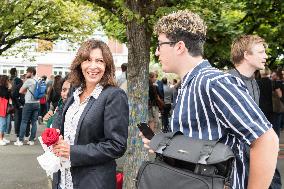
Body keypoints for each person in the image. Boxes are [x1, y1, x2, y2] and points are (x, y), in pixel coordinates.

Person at [141, 10, 278, 189]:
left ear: (179, 46)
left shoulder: (213, 82)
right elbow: (199, 143)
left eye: (160, 45)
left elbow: (266, 140)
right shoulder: (188, 84)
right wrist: (162, 145)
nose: (157, 52)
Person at [51, 39, 129, 189]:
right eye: (88, 60)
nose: (93, 66)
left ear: (107, 66)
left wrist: (72, 151)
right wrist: (54, 137)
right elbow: (61, 117)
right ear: (80, 64)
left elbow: (116, 145)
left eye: (99, 61)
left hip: (92, 182)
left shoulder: (114, 95)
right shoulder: (75, 91)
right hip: (63, 179)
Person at [229, 35, 281, 189]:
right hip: (236, 158)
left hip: (253, 151)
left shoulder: (253, 82)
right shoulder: (228, 81)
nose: (265, 56)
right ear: (246, 54)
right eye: (260, 52)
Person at [14, 67, 40, 146]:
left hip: (29, 103)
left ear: (31, 72)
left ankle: (20, 140)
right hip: (37, 103)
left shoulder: (29, 81)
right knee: (34, 122)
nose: (26, 73)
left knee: (24, 121)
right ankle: (31, 140)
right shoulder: (37, 80)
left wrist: (27, 93)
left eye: (27, 72)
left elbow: (20, 91)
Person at [0, 75, 11, 145]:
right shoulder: (1, 87)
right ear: (5, 80)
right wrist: (9, 89)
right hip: (2, 107)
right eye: (8, 80)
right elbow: (4, 95)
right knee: (3, 123)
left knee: (6, 123)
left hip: (6, 106)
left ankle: (2, 137)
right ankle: (0, 139)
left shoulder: (5, 87)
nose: (9, 81)